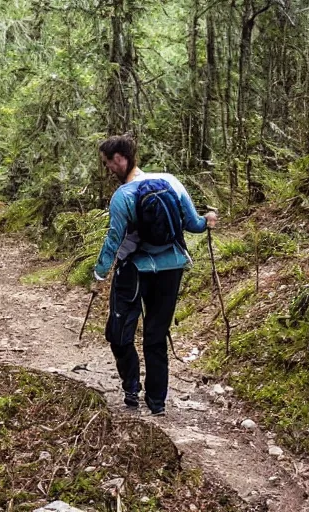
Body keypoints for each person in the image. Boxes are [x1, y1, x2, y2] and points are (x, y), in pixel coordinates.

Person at [92, 134, 218, 415]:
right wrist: (208, 220)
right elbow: (193, 224)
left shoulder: (123, 196)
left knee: (120, 331)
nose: (108, 169)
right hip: (171, 268)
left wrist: (100, 275)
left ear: (120, 159)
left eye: (108, 163)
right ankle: (157, 401)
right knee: (156, 335)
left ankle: (131, 389)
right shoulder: (170, 181)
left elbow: (114, 240)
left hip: (134, 270)